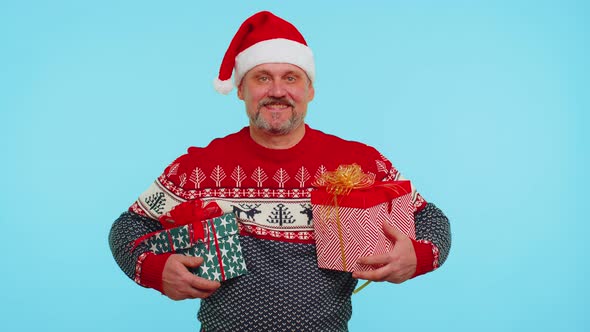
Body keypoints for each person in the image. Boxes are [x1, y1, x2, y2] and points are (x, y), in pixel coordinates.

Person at [109, 10, 451, 331]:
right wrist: (154, 270)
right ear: (241, 89)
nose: (277, 91)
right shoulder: (199, 166)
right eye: (262, 78)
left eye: (291, 77)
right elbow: (127, 229)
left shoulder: (357, 162)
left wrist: (417, 257)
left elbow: (432, 221)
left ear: (310, 90)